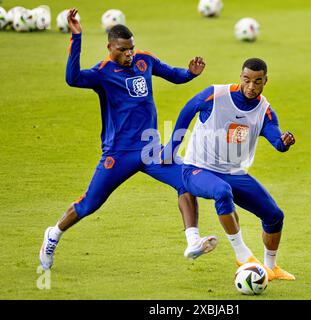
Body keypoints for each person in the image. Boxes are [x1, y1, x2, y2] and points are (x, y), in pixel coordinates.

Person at [39, 8, 217, 270]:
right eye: (123, 50)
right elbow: (73, 78)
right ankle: (53, 235)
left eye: (131, 48)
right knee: (89, 204)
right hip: (118, 153)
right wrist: (76, 37)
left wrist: (190, 73)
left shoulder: (144, 61)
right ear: (110, 47)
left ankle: (192, 241)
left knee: (186, 180)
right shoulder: (102, 72)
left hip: (150, 148)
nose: (129, 54)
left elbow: (173, 74)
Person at [161, 58, 296, 281]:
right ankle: (242, 255)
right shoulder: (216, 94)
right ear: (240, 77)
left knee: (274, 216)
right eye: (247, 80)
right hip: (197, 169)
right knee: (222, 191)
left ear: (265, 82)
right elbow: (187, 110)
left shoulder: (265, 111)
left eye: (257, 82)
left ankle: (271, 267)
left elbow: (277, 141)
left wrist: (284, 141)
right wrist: (172, 148)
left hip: (234, 172)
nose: (251, 87)